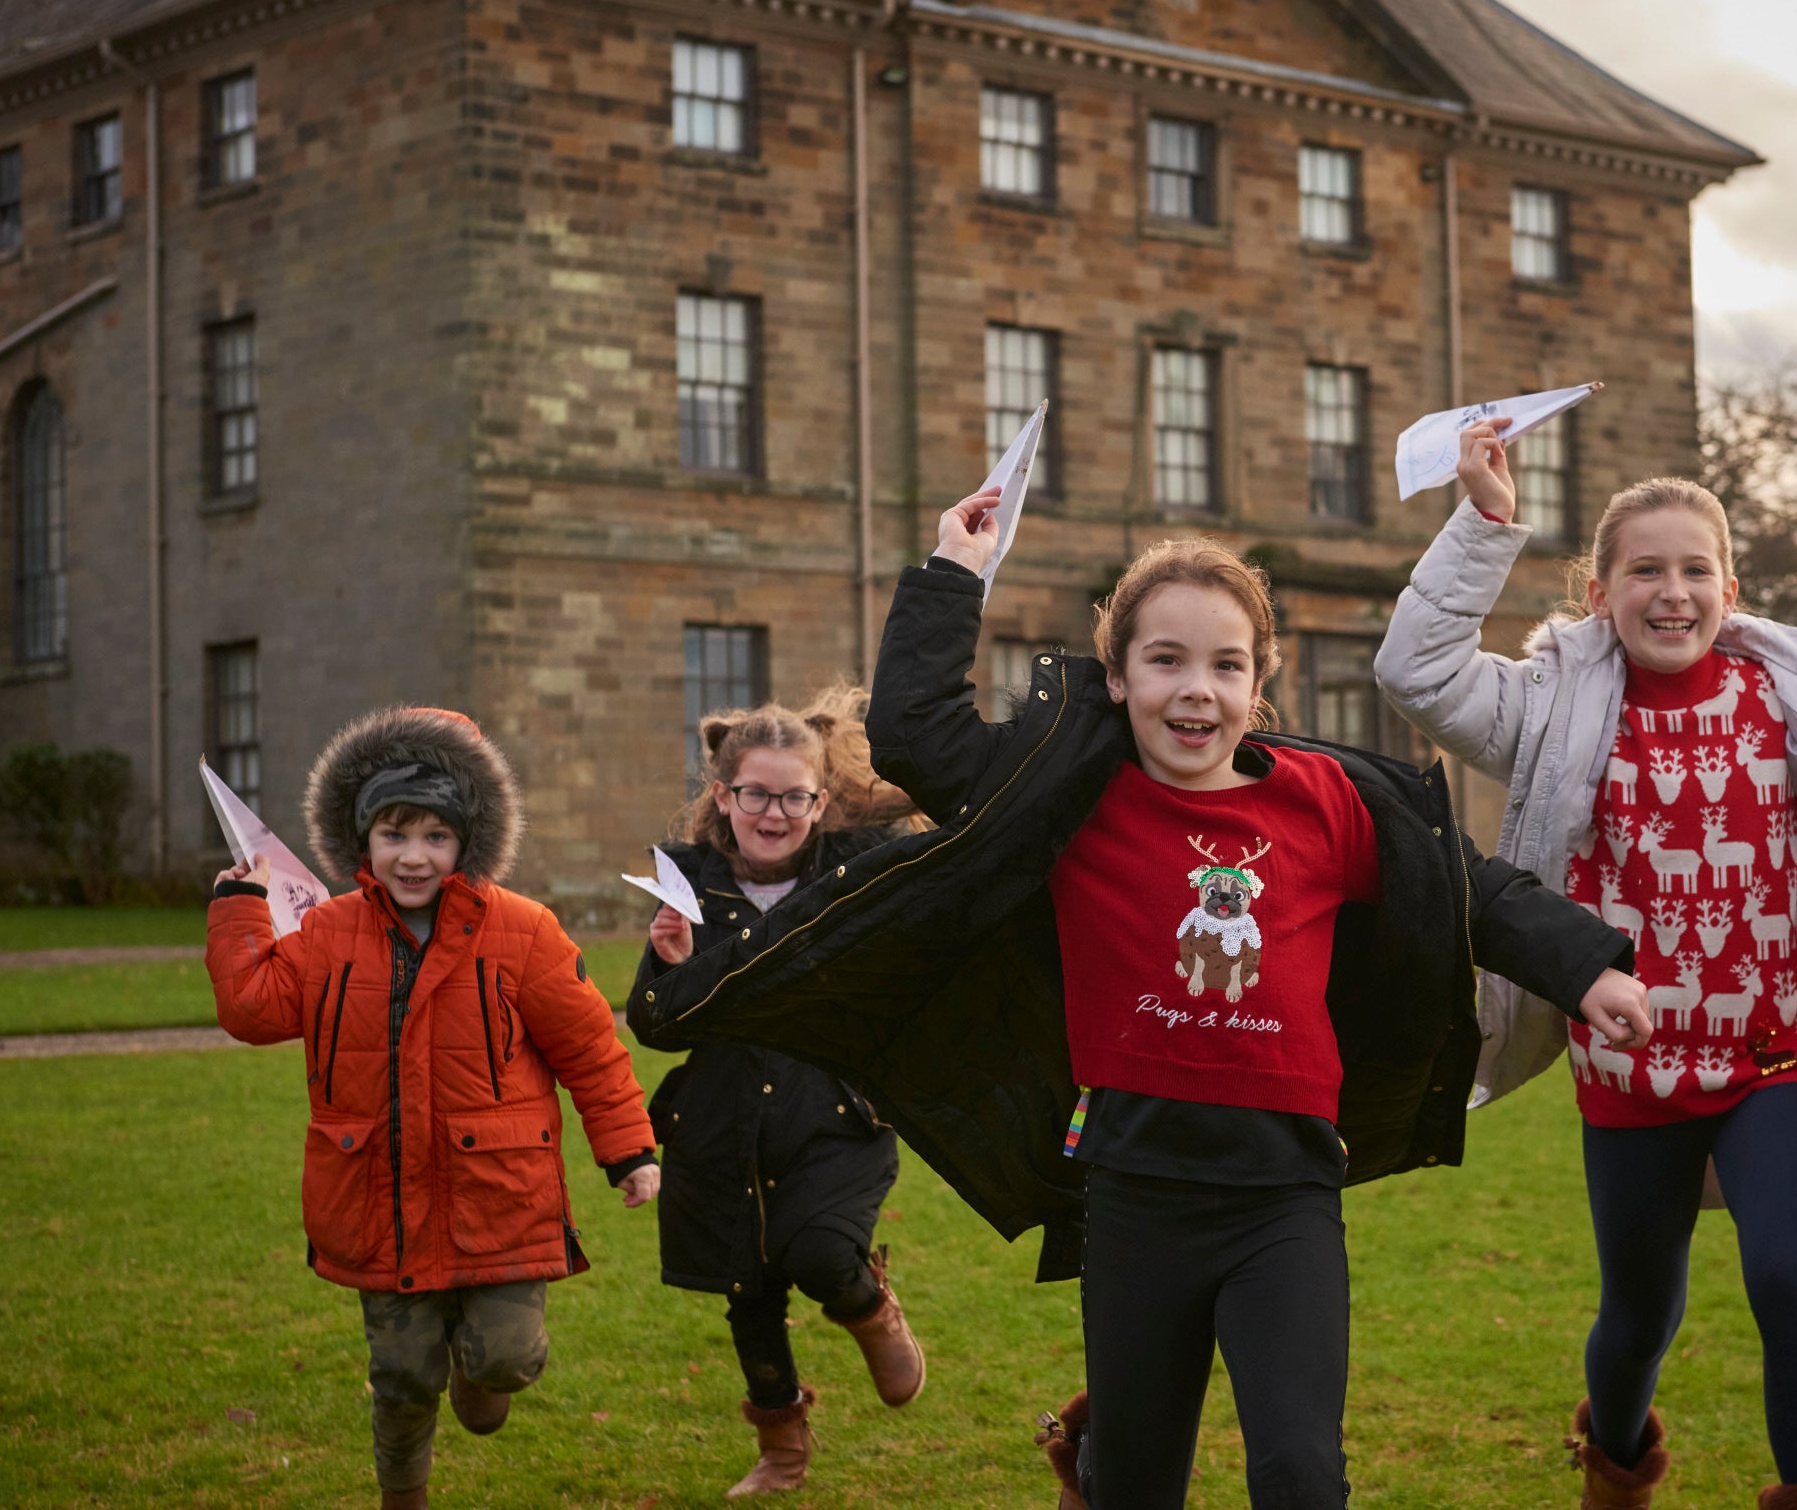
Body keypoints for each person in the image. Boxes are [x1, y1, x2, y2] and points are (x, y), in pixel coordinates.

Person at [632, 487, 1646, 1510]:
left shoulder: (1327, 802)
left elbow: (1476, 889)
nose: (1194, 689)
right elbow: (914, 736)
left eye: (1224, 664)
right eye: (1164, 660)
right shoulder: (1066, 793)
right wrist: (954, 573)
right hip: (1131, 1190)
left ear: (1260, 684)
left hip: (1284, 1196)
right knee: (1134, 1479)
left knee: (1301, 1475)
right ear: (1115, 676)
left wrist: (1588, 968)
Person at [1373, 430, 1797, 1510]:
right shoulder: (1550, 709)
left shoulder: (1793, 698)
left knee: (1791, 1275)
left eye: (1694, 568)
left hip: (1778, 1050)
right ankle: (1613, 1457)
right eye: (1645, 571)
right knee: (1639, 1315)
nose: (1671, 591)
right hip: (1631, 1065)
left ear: (1729, 587)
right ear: (1600, 593)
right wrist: (1484, 520)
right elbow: (1414, 670)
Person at [205, 706, 660, 1510]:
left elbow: (589, 1049)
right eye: (393, 833)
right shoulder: (328, 933)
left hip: (501, 1197)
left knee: (505, 1358)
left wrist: (629, 1150)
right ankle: (403, 1492)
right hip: (379, 1199)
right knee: (403, 1375)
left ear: (468, 841)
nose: (413, 856)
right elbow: (253, 1010)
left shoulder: (524, 933)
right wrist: (240, 910)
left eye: (435, 836)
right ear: (363, 842)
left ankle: (482, 1378)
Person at [629, 687, 928, 1497]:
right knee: (746, 1286)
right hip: (721, 1125)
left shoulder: (857, 872)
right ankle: (784, 1451)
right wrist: (670, 962)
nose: (774, 812)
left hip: (833, 1115)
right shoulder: (684, 883)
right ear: (725, 797)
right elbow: (655, 1028)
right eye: (756, 794)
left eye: (793, 796)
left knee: (820, 1251)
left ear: (820, 800)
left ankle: (869, 1307)